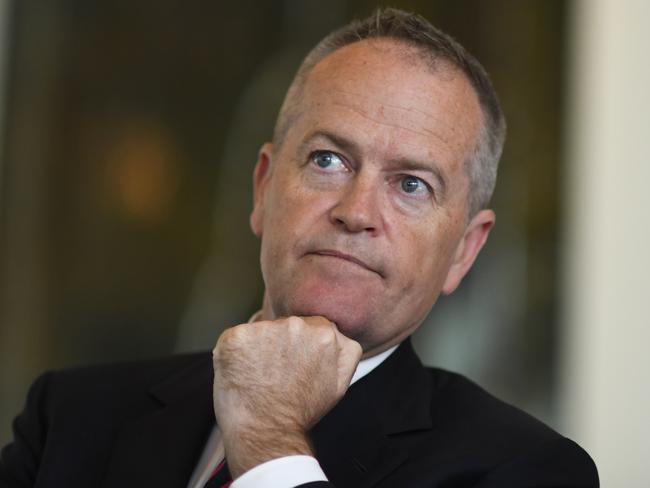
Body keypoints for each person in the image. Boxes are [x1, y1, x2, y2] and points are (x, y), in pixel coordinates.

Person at [0, 7, 598, 488]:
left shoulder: (526, 471)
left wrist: (268, 436)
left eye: (412, 185)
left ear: (464, 252)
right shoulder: (71, 417)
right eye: (328, 159)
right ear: (263, 187)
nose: (356, 211)